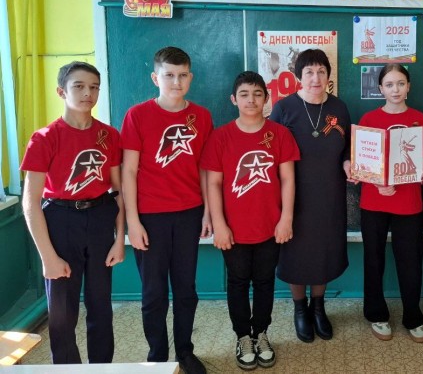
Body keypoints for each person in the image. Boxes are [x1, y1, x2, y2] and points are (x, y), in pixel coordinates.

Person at [21, 61, 125, 364]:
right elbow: (30, 202)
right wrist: (48, 257)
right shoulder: (44, 138)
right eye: (78, 86)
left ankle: (101, 368)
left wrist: (120, 239)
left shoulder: (109, 135)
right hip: (60, 220)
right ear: (61, 91)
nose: (87, 93)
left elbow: (118, 191)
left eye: (94, 87)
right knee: (62, 313)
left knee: (101, 307)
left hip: (100, 217)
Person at [121, 47, 213, 374]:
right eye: (169, 75)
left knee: (186, 290)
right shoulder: (137, 115)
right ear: (155, 78)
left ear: (190, 77)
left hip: (189, 213)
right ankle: (158, 356)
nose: (176, 81)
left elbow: (205, 168)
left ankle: (185, 351)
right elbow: (128, 171)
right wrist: (133, 222)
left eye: (182, 75)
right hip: (150, 217)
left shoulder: (202, 116)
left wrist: (207, 212)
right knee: (153, 293)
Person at [202, 72, 300, 370]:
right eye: (244, 94)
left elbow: (288, 179)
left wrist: (286, 218)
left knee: (265, 281)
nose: (251, 100)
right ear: (234, 99)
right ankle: (243, 336)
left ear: (267, 98)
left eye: (258, 94)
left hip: (270, 226)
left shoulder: (279, 134)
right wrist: (219, 224)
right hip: (233, 229)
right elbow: (213, 184)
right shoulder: (220, 137)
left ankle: (261, 333)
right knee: (237, 282)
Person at [269, 48, 351, 343]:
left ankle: (318, 306)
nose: (316, 78)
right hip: (294, 196)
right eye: (309, 72)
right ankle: (300, 308)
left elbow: (348, 148)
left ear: (328, 75)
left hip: (330, 195)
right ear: (298, 77)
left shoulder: (339, 108)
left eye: (321, 72)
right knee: (296, 253)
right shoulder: (284, 108)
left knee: (324, 251)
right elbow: (271, 153)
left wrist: (349, 163)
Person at [357, 64, 423, 342]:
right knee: (373, 259)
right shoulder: (368, 118)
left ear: (408, 86)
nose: (395, 89)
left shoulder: (419, 119)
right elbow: (362, 164)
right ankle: (376, 313)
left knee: (410, 260)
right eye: (389, 85)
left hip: (409, 201)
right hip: (374, 200)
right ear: (380, 89)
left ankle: (413, 315)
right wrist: (377, 183)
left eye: (400, 83)